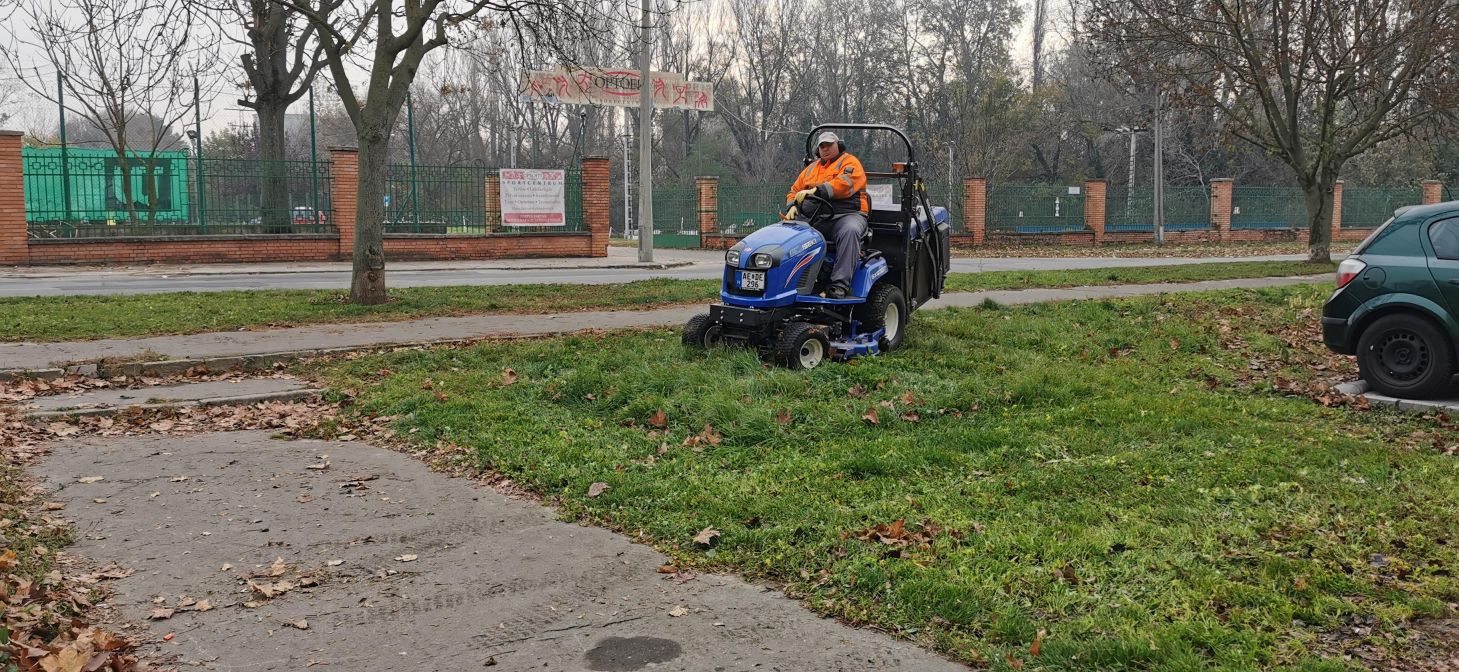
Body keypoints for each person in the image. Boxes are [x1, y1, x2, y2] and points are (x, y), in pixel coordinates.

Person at [784, 131, 869, 298]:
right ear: (818, 149)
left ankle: (839, 285)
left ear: (838, 145)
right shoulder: (810, 169)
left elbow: (845, 184)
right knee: (791, 234)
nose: (825, 148)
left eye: (829, 145)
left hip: (848, 215)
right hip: (817, 218)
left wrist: (817, 190)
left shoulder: (850, 162)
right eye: (822, 145)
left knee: (849, 231)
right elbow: (794, 190)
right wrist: (792, 206)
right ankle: (793, 282)